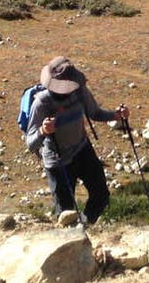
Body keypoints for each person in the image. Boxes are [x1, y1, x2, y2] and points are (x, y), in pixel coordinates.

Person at [24, 57, 127, 225]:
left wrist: (116, 115)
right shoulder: (42, 103)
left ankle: (85, 226)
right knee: (65, 213)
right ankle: (69, 239)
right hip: (58, 161)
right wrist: (43, 131)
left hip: (82, 150)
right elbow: (30, 143)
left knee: (101, 195)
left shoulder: (79, 91)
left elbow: (94, 113)